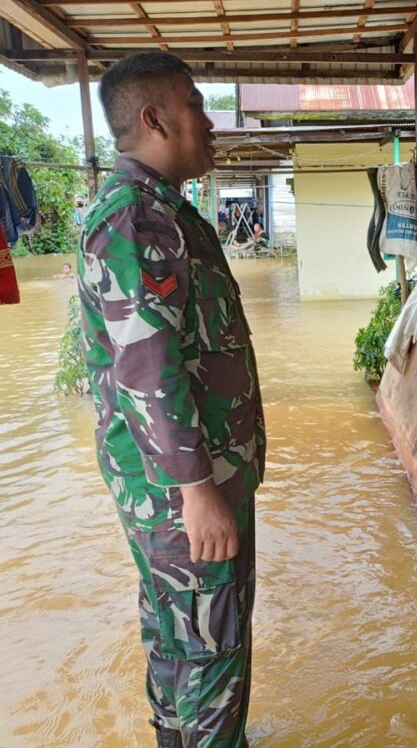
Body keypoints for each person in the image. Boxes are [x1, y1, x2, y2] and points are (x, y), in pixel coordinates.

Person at [76, 52, 266, 748]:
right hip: (186, 492)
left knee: (175, 633)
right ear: (156, 119)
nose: (210, 122)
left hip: (174, 490)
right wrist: (197, 490)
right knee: (212, 648)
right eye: (196, 105)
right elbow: (148, 371)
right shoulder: (140, 222)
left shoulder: (163, 214)